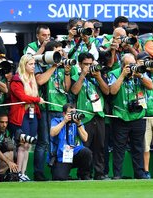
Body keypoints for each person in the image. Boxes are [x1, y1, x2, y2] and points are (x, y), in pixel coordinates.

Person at [108, 53, 153, 179]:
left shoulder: (139, 72)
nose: (132, 67)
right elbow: (112, 91)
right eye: (129, 65)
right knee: (119, 148)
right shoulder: (114, 73)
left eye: (133, 64)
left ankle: (140, 173)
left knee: (138, 147)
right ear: (122, 65)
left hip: (138, 116)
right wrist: (122, 75)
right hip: (121, 116)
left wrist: (140, 76)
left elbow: (150, 86)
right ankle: (117, 174)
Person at [34, 41, 71, 181]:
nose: (61, 53)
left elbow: (67, 89)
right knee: (44, 142)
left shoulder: (62, 67)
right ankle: (38, 172)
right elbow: (41, 81)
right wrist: (54, 66)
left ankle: (58, 172)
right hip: (46, 109)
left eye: (62, 51)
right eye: (58, 51)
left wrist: (66, 72)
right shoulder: (41, 64)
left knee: (60, 142)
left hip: (60, 108)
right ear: (50, 53)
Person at [70, 52, 109, 180]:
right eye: (85, 64)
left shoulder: (98, 74)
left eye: (90, 64)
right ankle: (84, 174)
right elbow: (74, 90)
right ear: (80, 64)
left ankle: (99, 173)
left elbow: (107, 91)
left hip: (98, 115)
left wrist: (98, 77)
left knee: (100, 146)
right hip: (84, 116)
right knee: (85, 147)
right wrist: (83, 75)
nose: (88, 66)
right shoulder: (75, 75)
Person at [9, 54, 45, 182]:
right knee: (22, 144)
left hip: (32, 114)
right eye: (30, 64)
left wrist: (35, 101)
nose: (33, 66)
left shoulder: (32, 79)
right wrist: (37, 99)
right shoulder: (16, 79)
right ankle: (18, 173)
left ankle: (23, 173)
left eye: (34, 64)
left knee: (28, 145)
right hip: (21, 115)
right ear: (24, 65)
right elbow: (22, 97)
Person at [50, 103, 92, 180]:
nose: (73, 115)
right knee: (59, 178)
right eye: (71, 113)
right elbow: (52, 133)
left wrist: (79, 124)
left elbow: (85, 138)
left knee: (86, 152)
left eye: (74, 113)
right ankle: (65, 173)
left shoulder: (77, 123)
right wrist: (64, 122)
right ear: (64, 114)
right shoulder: (56, 120)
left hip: (74, 153)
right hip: (61, 155)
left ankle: (83, 175)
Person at [0, 113, 19, 181]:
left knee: (11, 153)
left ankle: (1, 175)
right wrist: (8, 162)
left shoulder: (6, 132)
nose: (4, 125)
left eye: (6, 122)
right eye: (1, 122)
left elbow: (11, 148)